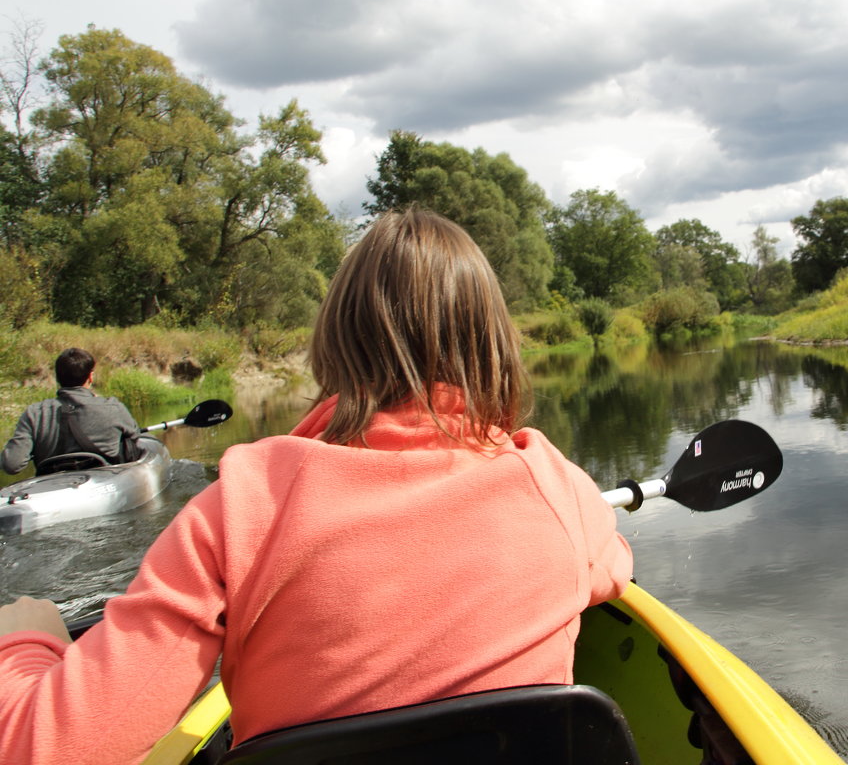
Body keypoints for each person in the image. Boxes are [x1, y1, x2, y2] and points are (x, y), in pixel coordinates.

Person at [0, 207, 633, 765]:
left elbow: (50, 751)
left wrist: (26, 642)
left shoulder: (243, 503)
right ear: (491, 345)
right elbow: (613, 571)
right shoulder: (556, 482)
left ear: (336, 341)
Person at [1, 347, 142, 475]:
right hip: (102, 484)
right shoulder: (113, 407)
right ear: (91, 376)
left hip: (50, 487)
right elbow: (134, 435)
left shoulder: (34, 413)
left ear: (57, 378)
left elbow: (12, 464)